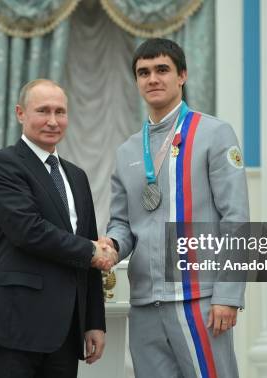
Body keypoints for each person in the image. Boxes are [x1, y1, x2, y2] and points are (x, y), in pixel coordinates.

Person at [102, 38, 249, 377]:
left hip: (199, 299)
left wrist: (228, 293)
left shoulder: (215, 134)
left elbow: (236, 219)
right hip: (144, 305)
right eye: (143, 72)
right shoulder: (127, 151)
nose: (152, 79)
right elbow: (122, 224)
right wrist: (110, 246)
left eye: (162, 70)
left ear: (182, 75)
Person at [0, 79, 118, 378]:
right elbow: (29, 230)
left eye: (60, 112)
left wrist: (94, 321)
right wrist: (93, 249)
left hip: (65, 333)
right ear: (20, 113)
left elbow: (88, 249)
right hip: (15, 328)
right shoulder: (3, 165)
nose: (53, 121)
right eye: (43, 111)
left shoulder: (76, 176)